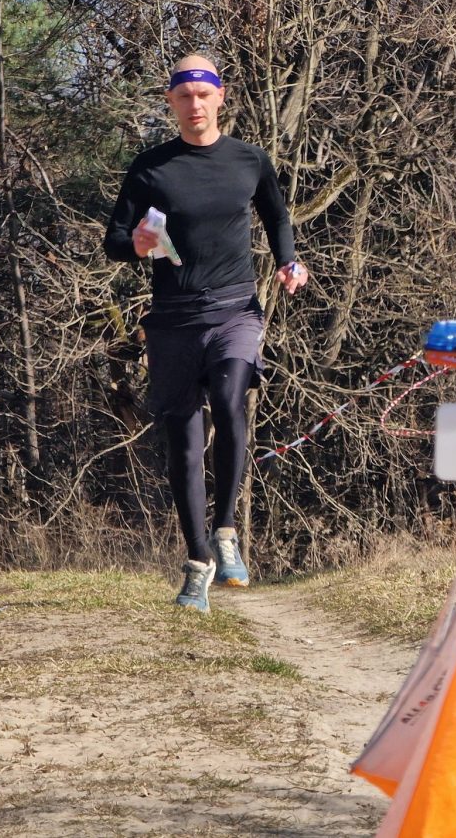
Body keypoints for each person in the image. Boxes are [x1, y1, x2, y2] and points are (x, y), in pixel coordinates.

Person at [104, 54, 309, 612]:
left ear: (221, 98)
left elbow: (277, 216)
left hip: (234, 309)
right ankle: (198, 564)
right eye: (183, 96)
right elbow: (115, 240)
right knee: (185, 444)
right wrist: (137, 246)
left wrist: (289, 263)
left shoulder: (249, 160)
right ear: (171, 103)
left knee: (229, 396)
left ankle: (226, 532)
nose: (194, 105)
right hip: (171, 320)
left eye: (203, 94)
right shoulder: (151, 169)